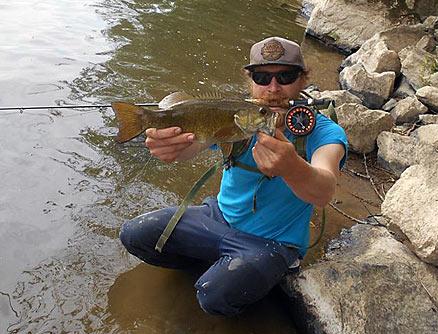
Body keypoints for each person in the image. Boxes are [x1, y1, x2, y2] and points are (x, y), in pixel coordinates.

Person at [119, 36, 348, 316]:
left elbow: (325, 190)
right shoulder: (238, 117)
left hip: (273, 242)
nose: (273, 88)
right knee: (135, 234)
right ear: (250, 81)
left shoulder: (324, 133)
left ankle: (238, 273)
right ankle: (226, 266)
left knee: (213, 296)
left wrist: (292, 167)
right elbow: (190, 147)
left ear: (302, 80)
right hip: (217, 218)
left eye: (285, 76)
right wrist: (168, 146)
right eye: (262, 77)